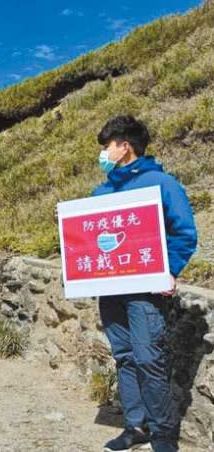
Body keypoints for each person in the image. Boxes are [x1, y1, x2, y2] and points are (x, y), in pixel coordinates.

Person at [91, 116, 197, 452]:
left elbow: (184, 233)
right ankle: (135, 425)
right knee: (124, 356)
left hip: (145, 290)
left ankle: (163, 435)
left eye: (107, 146)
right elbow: (92, 238)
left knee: (149, 357)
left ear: (124, 146)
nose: (103, 153)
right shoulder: (102, 191)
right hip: (111, 288)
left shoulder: (162, 184)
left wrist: (172, 269)